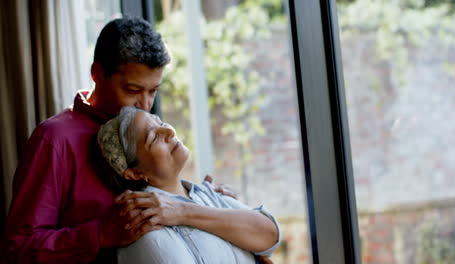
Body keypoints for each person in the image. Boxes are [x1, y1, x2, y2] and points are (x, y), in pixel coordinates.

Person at [0, 17, 273, 263]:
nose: (145, 105)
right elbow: (16, 249)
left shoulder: (145, 126)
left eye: (154, 91)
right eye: (133, 90)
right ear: (97, 74)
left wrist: (207, 202)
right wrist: (101, 234)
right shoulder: (55, 140)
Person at [97, 106, 281, 263]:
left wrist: (181, 211)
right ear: (135, 173)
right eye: (153, 138)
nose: (169, 131)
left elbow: (270, 235)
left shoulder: (206, 192)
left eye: (160, 123)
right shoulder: (145, 222)